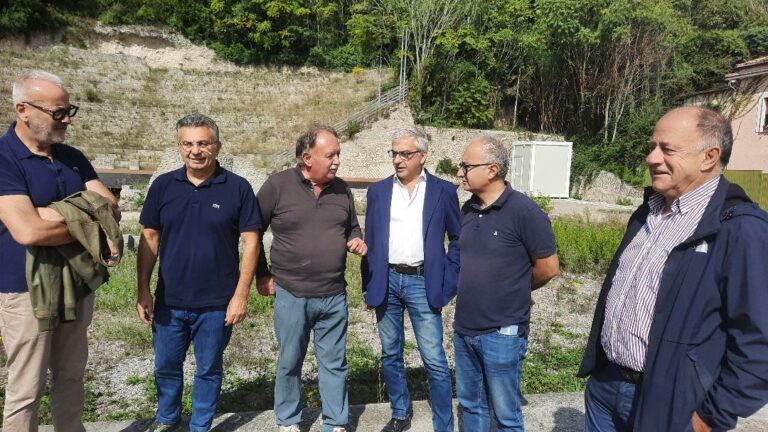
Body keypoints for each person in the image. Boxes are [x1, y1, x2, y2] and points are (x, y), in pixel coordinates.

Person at [578, 106, 768, 432]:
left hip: (670, 404)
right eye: (652, 147)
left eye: (667, 149)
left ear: (709, 157)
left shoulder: (741, 228)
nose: (652, 158)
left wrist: (712, 416)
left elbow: (759, 339)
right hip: (605, 388)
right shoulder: (646, 214)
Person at [0, 70, 119, 432]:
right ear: (23, 110)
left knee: (71, 375)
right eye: (58, 112)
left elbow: (111, 209)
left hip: (77, 282)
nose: (67, 120)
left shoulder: (72, 157)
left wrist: (53, 214)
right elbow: (28, 230)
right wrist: (86, 217)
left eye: (69, 111)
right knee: (27, 386)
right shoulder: (3, 159)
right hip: (25, 289)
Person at [136, 114, 261, 432]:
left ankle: (201, 425)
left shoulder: (238, 188)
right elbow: (150, 238)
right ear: (179, 146)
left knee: (209, 369)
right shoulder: (164, 186)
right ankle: (168, 419)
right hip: (169, 301)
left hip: (217, 303)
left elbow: (251, 242)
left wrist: (241, 295)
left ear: (217, 146)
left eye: (203, 143)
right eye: (188, 143)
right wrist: (143, 289)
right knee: (166, 366)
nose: (195, 150)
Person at [256, 125, 367, 432]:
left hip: (334, 295)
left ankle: (335, 422)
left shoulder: (341, 189)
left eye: (338, 154)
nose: (337, 161)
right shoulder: (277, 186)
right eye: (330, 155)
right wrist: (262, 274)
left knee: (334, 363)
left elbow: (352, 227)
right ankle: (288, 420)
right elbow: (252, 232)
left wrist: (355, 239)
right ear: (307, 158)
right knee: (290, 361)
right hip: (292, 293)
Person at [453, 135, 559, 432]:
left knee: (506, 416)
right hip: (465, 329)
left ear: (492, 170)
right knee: (471, 405)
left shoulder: (525, 212)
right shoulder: (468, 210)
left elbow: (549, 268)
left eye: (466, 166)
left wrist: (515, 288)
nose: (460, 172)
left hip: (503, 332)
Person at [362, 128, 460, 432]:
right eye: (394, 153)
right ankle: (400, 412)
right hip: (387, 281)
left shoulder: (444, 191)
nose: (397, 159)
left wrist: (449, 279)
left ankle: (443, 423)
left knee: (434, 358)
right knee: (391, 354)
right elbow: (371, 241)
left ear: (423, 156)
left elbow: (458, 239)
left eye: (405, 153)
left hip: (423, 282)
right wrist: (368, 284)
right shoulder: (378, 192)